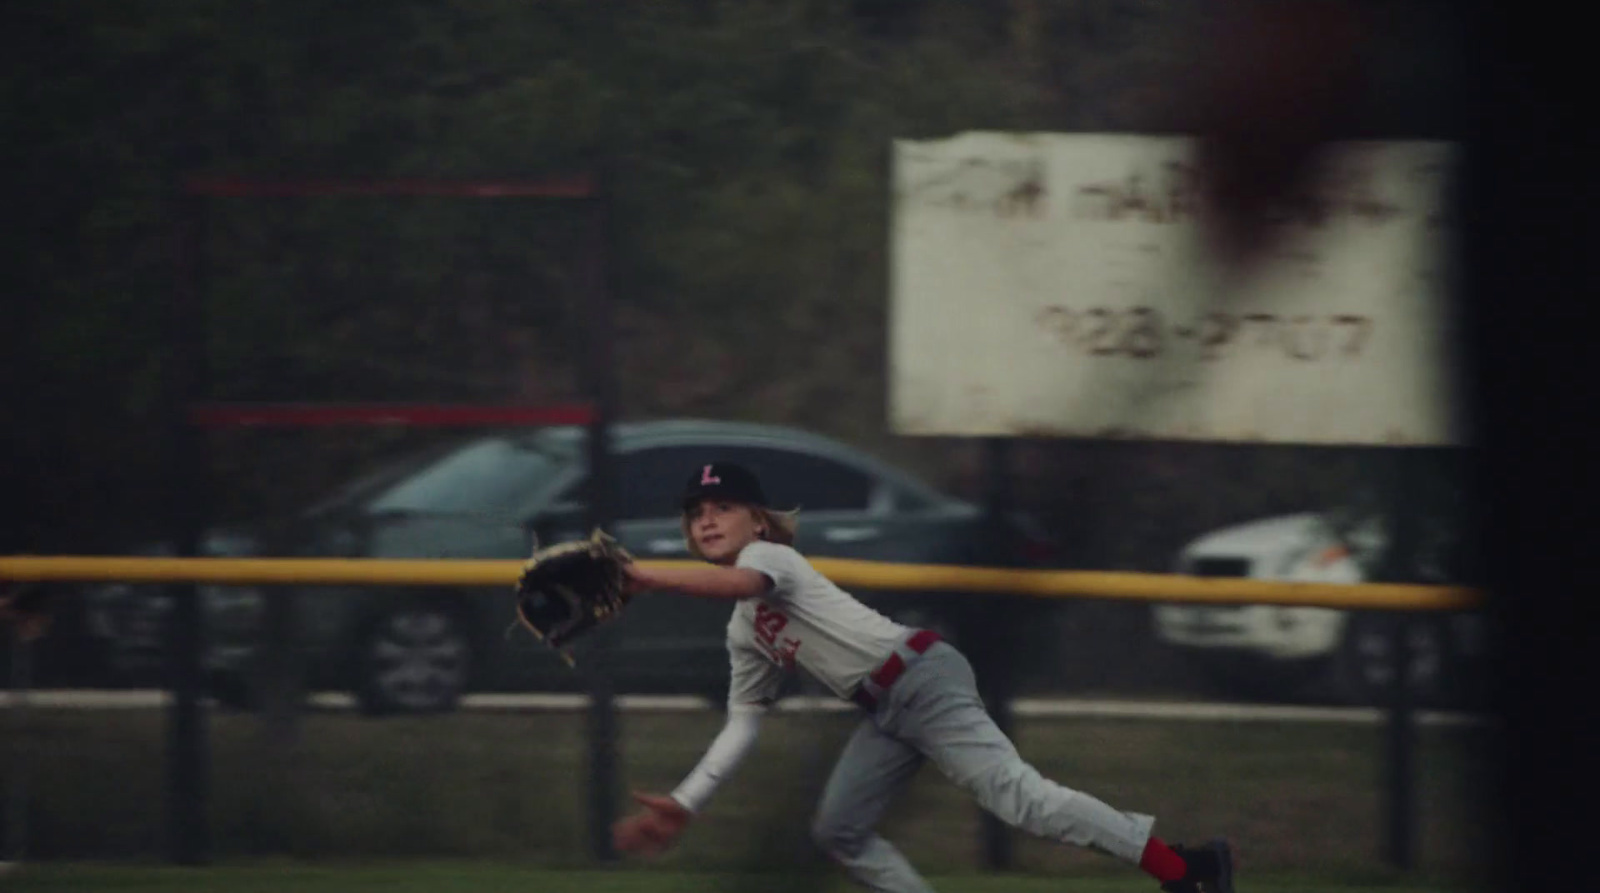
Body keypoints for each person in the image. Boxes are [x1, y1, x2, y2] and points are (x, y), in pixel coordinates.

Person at [612, 462, 1235, 893]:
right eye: (697, 513)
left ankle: (1184, 868)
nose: (709, 519)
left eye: (725, 506)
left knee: (1021, 799)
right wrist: (688, 801)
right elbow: (742, 725)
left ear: (759, 521)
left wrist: (645, 576)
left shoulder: (770, 558)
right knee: (839, 832)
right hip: (885, 710)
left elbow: (742, 583)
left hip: (924, 678)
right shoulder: (744, 634)